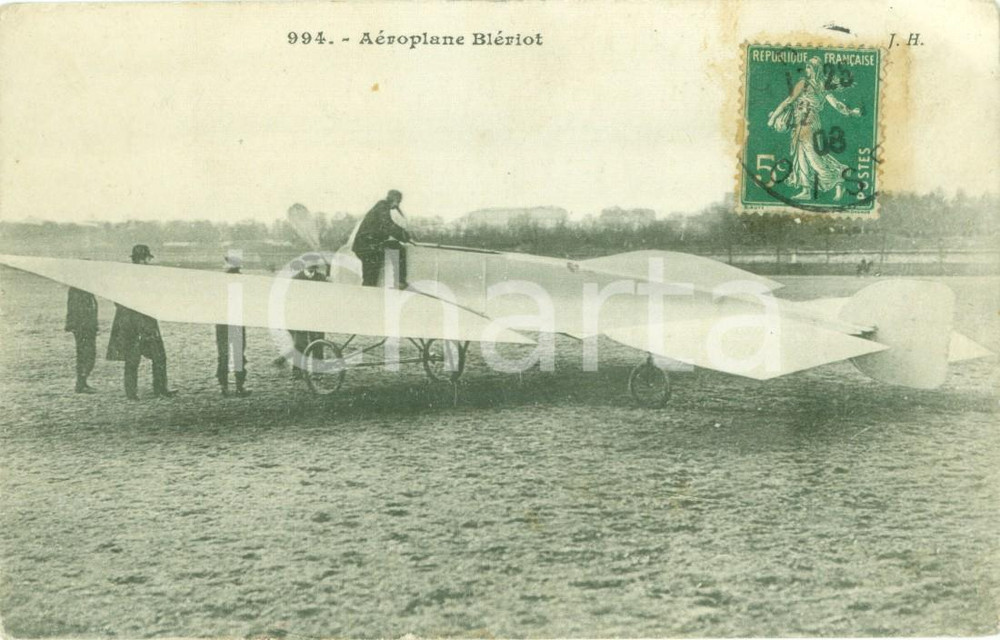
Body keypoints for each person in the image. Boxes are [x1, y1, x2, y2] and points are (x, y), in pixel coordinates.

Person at [767, 57, 863, 201]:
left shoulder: (804, 84)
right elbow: (836, 104)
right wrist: (851, 112)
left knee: (814, 158)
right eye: (807, 67)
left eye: (809, 67)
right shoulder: (823, 85)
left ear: (815, 69)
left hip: (806, 123)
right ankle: (807, 190)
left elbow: (788, 101)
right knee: (802, 157)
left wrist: (773, 118)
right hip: (804, 123)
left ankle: (838, 180)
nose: (807, 70)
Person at [106, 244, 176, 399]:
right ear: (142, 259)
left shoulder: (128, 277)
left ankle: (152, 390)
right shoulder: (133, 278)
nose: (148, 262)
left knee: (157, 357)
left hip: (141, 322)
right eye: (146, 259)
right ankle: (141, 392)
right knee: (136, 358)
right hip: (135, 324)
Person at [352, 189, 412, 287]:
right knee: (370, 278)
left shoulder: (381, 207)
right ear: (395, 200)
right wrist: (405, 236)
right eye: (398, 202)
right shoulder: (382, 206)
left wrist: (403, 236)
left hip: (368, 245)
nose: (397, 206)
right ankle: (399, 281)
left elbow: (385, 226)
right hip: (368, 247)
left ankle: (400, 280)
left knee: (397, 248)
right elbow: (387, 225)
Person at [215, 254, 249, 396]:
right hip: (236, 321)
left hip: (223, 322)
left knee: (223, 354)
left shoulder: (220, 280)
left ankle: (224, 386)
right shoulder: (243, 280)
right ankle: (239, 386)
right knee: (238, 353)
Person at [65, 287, 98, 393]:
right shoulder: (77, 291)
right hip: (83, 327)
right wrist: (74, 325)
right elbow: (73, 309)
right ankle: (81, 383)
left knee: (87, 354)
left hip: (88, 327)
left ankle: (82, 382)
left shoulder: (85, 291)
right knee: (86, 354)